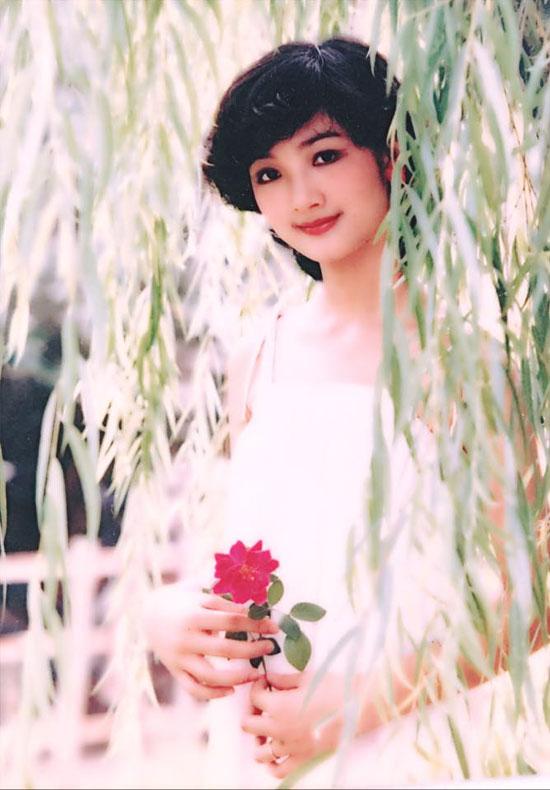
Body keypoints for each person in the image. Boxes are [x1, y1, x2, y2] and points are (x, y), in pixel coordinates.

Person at [144, 37, 547, 788]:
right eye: (270, 174)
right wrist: (168, 618)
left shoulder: (463, 361)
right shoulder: (258, 357)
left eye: (324, 155)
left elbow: (532, 597)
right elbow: (252, 558)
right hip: (267, 752)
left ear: (391, 155)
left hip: (412, 745)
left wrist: (355, 703)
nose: (301, 197)